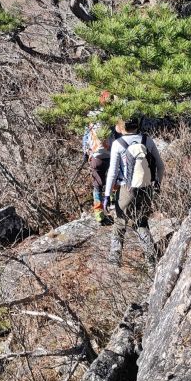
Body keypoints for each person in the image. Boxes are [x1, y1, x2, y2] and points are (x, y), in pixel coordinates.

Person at [103, 116, 164, 269]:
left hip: (126, 189)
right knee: (141, 222)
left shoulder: (118, 144)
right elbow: (160, 165)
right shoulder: (147, 140)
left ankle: (114, 259)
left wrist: (107, 195)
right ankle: (151, 260)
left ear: (122, 127)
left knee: (120, 222)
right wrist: (157, 184)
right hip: (145, 187)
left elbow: (112, 172)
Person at [82, 91, 114, 224]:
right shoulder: (114, 116)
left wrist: (85, 153)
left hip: (96, 155)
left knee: (97, 185)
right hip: (112, 153)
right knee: (115, 180)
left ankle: (99, 213)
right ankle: (114, 207)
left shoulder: (91, 115)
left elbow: (85, 137)